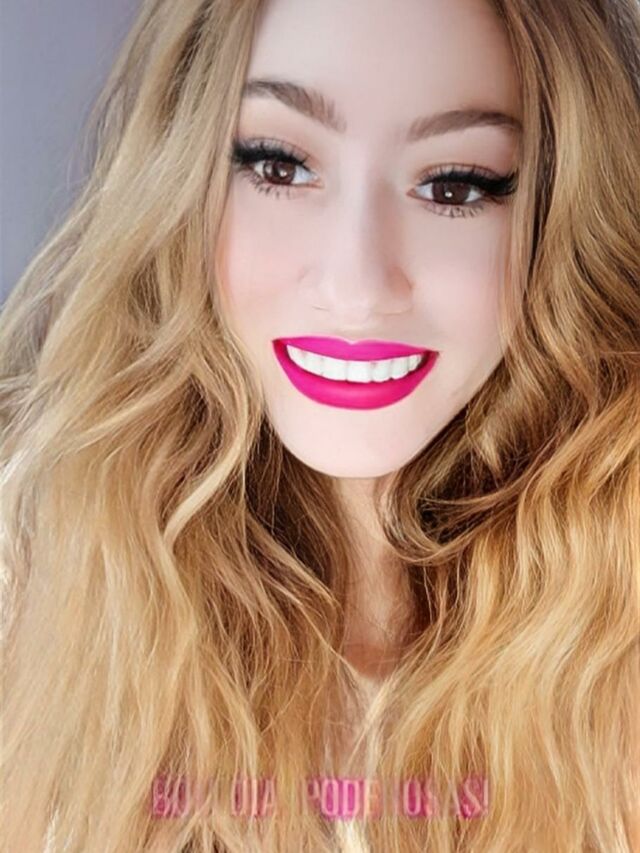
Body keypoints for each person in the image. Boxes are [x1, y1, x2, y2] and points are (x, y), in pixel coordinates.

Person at [0, 0, 638, 850]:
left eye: (455, 185)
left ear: (562, 214)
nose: (357, 288)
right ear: (180, 175)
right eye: (280, 165)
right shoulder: (29, 565)